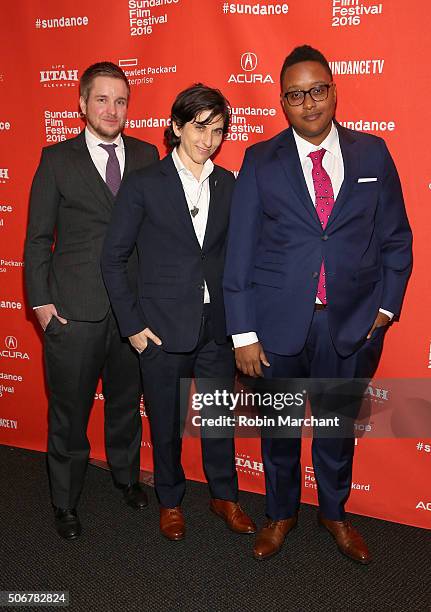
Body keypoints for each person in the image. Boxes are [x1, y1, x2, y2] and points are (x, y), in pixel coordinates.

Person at [223, 45, 412, 562]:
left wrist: (386, 309)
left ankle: (334, 513)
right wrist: (243, 333)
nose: (309, 102)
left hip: (348, 326)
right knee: (279, 433)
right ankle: (281, 514)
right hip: (276, 330)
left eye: (317, 89)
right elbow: (238, 254)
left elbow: (396, 238)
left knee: (335, 431)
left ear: (334, 89)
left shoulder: (372, 153)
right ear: (283, 102)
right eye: (295, 94)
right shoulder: (260, 161)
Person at [101, 84, 256, 541]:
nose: (208, 139)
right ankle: (170, 500)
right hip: (161, 332)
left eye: (218, 129)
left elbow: (236, 257)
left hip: (217, 329)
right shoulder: (145, 182)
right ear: (176, 127)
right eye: (199, 126)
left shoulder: (230, 185)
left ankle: (224, 496)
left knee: (217, 421)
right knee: (165, 423)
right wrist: (132, 326)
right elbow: (113, 258)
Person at [24, 62, 159, 540]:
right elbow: (38, 239)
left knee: (125, 403)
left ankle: (125, 477)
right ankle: (64, 501)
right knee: (69, 412)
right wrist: (41, 303)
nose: (111, 109)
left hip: (130, 313)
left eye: (120, 100)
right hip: (73, 312)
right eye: (101, 99)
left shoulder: (147, 156)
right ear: (82, 104)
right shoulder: (56, 159)